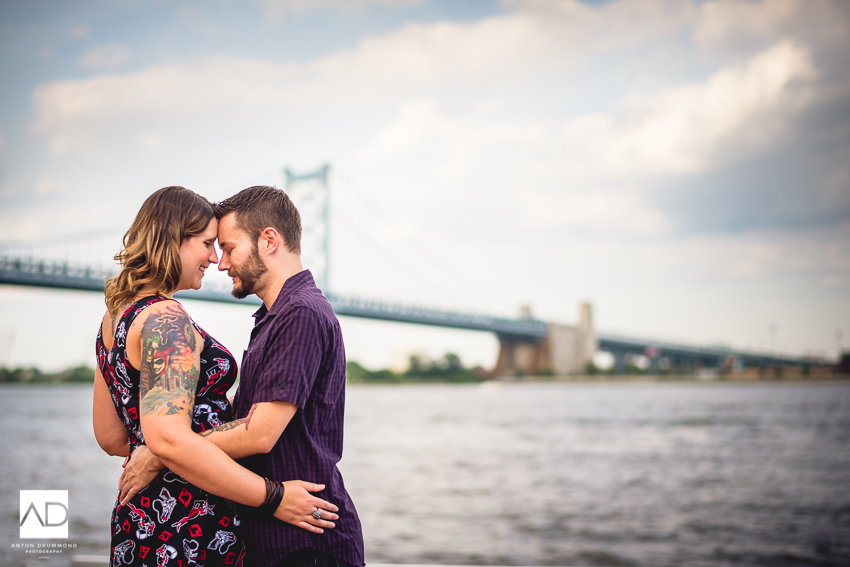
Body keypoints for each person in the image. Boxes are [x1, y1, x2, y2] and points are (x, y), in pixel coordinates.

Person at [93, 186, 339, 567]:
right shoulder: (167, 321)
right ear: (173, 240)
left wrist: (156, 453)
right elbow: (168, 439)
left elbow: (111, 437)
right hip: (189, 521)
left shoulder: (113, 320)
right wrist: (270, 495)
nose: (215, 259)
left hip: (140, 519)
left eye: (222, 246)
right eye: (208, 244)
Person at [207, 186, 365, 567]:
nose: (221, 263)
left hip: (306, 544)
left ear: (269, 240)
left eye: (228, 248)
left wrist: (169, 450)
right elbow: (247, 413)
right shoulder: (275, 316)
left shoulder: (300, 313)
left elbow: (259, 433)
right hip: (283, 539)